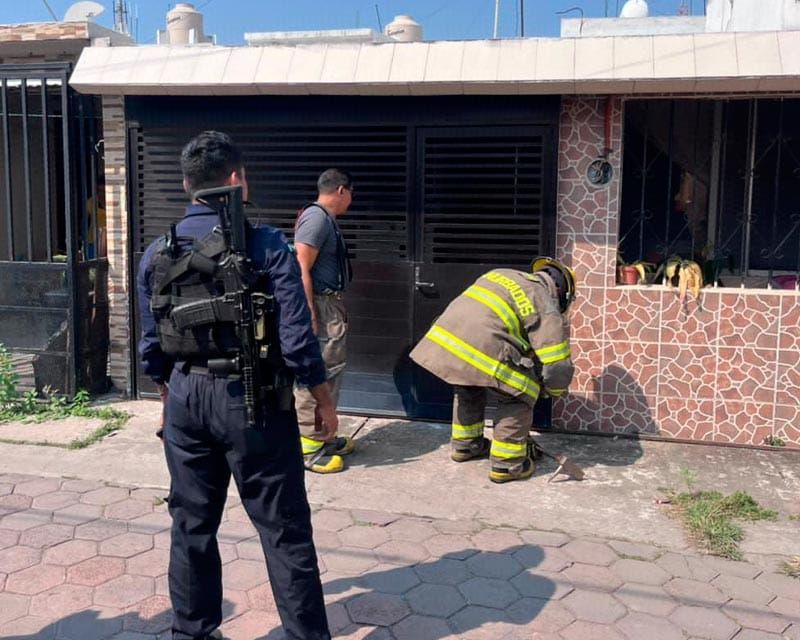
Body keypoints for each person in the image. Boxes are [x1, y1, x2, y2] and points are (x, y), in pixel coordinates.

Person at [137, 131, 334, 640]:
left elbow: (150, 344)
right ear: (236, 179)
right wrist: (322, 399)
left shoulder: (157, 251)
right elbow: (297, 339)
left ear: (187, 185)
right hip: (253, 401)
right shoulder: (266, 245)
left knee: (191, 525)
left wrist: (167, 397)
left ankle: (193, 633)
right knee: (284, 528)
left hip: (185, 397)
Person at [410, 257, 576, 484]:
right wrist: (553, 390)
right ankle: (507, 464)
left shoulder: (500, 274)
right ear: (563, 293)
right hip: (481, 347)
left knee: (468, 386)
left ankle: (466, 446)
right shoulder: (545, 301)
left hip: (448, 341)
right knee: (520, 393)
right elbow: (557, 362)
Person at [293, 168, 354, 473]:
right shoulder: (316, 219)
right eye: (351, 193)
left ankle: (324, 435)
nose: (351, 200)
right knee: (318, 373)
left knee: (331, 371)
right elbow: (300, 265)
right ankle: (310, 447)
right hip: (320, 305)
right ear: (341, 190)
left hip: (329, 304)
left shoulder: (324, 219)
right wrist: (309, 313)